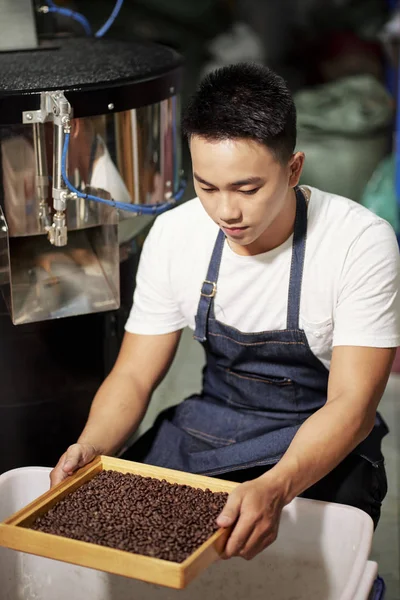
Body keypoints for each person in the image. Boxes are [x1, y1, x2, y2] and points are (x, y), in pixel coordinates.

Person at [51, 63, 400, 561]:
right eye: (207, 187)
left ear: (294, 168)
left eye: (247, 189)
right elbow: (132, 375)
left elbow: (353, 404)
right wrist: (91, 446)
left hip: (320, 429)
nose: (226, 213)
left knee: (312, 560)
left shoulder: (358, 242)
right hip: (210, 423)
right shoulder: (174, 235)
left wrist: (275, 486)